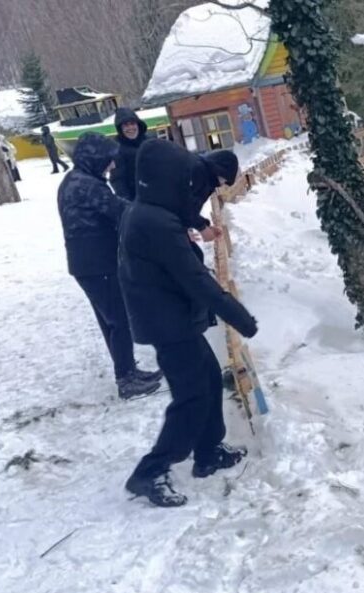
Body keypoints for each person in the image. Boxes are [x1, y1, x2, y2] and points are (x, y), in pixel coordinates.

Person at [118, 139, 258, 507]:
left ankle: (208, 451)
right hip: (167, 321)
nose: (188, 186)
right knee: (191, 398)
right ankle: (149, 472)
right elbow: (195, 278)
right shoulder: (156, 224)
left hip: (172, 315)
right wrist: (239, 317)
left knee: (209, 378)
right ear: (167, 178)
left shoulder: (153, 210)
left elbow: (183, 221)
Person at [56, 132, 163, 399]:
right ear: (94, 158)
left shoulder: (76, 180)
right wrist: (156, 217)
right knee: (119, 320)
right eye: (108, 160)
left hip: (87, 263)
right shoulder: (86, 185)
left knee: (110, 321)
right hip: (97, 264)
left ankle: (127, 370)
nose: (112, 165)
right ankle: (126, 379)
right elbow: (121, 211)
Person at [109, 107, 147, 200]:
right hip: (136, 198)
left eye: (132, 123)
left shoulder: (149, 141)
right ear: (120, 129)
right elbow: (117, 179)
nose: (130, 128)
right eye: (126, 125)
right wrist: (127, 203)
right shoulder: (117, 149)